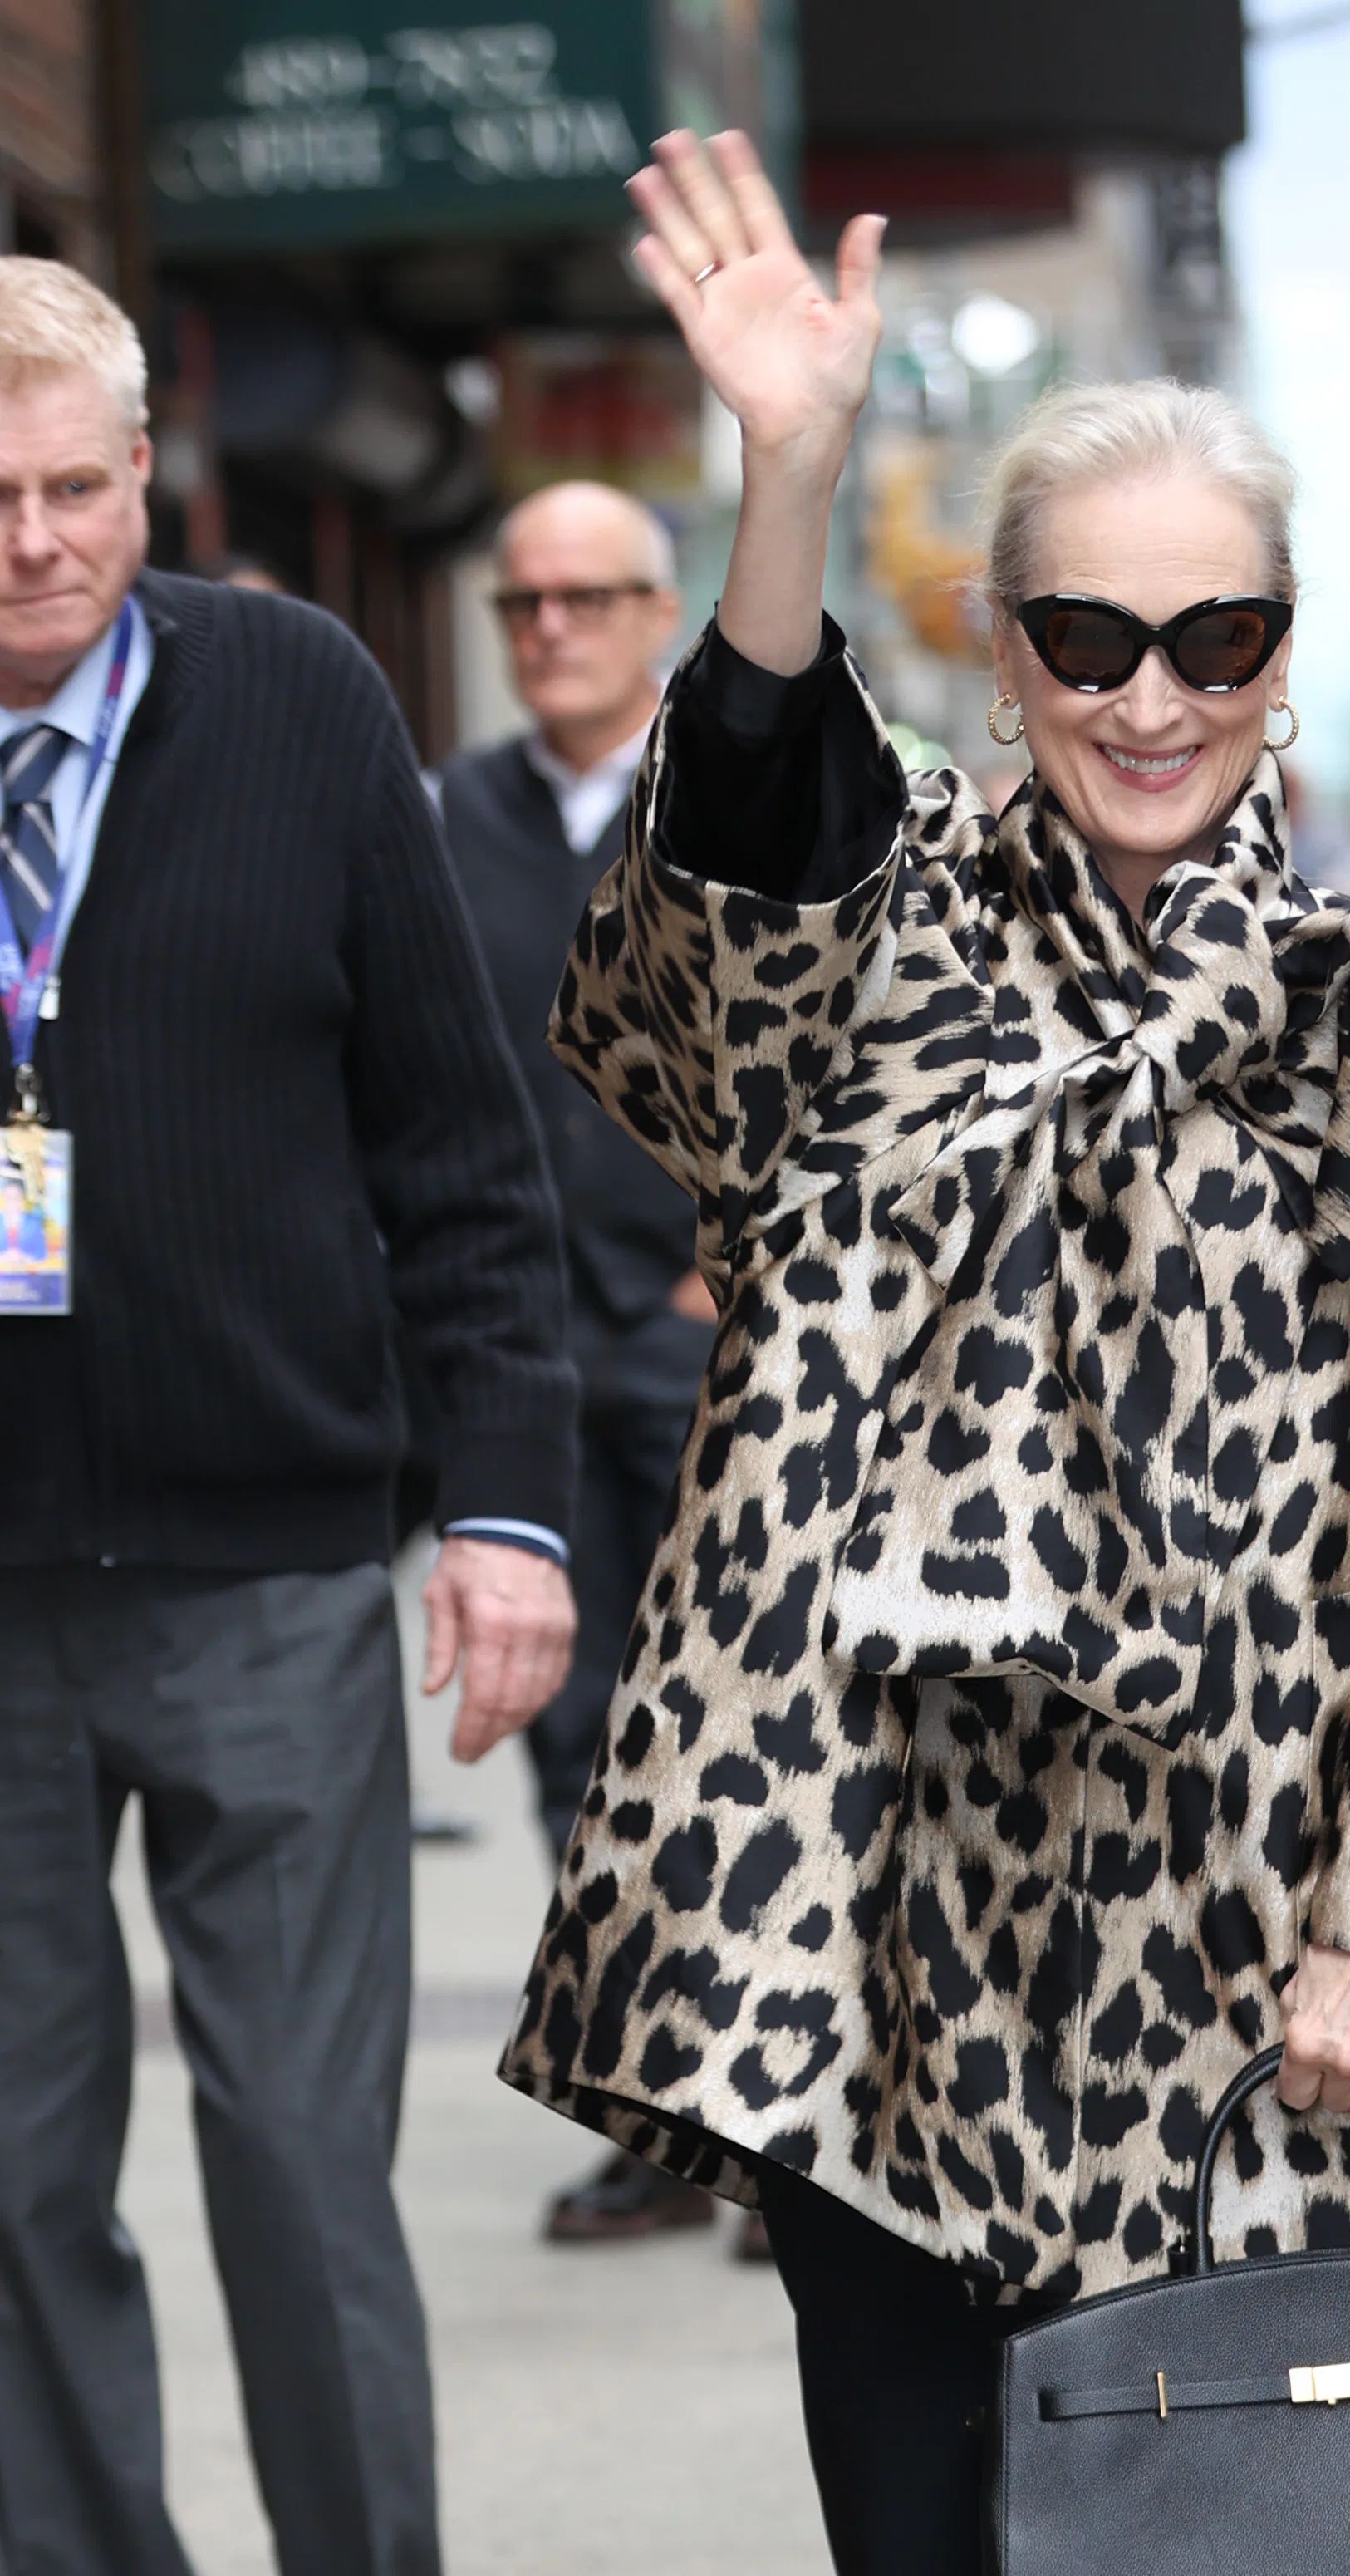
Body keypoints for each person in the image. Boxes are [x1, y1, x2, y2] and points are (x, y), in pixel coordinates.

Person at [499, 131, 1350, 2576]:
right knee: (922, 2543)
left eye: (1214, 639)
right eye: (1092, 640)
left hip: (1266, 2006)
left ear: (1285, 646)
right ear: (1004, 650)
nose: (1153, 697)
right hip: (885, 1978)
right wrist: (785, 479)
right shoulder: (878, 948)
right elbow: (696, 967)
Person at [0, 258, 578, 2576]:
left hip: (270, 1573)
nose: (31, 540)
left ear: (147, 474)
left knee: (300, 2163)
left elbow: (460, 1144)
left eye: (70, 487)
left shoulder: (300, 694)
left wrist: (511, 1510)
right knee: (13, 2171)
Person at [436, 479, 749, 2252]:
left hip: (709, 1346)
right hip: (518, 1355)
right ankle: (650, 2110)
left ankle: (799, 2143)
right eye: (521, 601)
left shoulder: (739, 803)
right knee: (584, 1744)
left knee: (752, 1730)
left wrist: (745, 1253)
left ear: (658, 612)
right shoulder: (439, 819)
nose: (550, 627)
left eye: (587, 596)